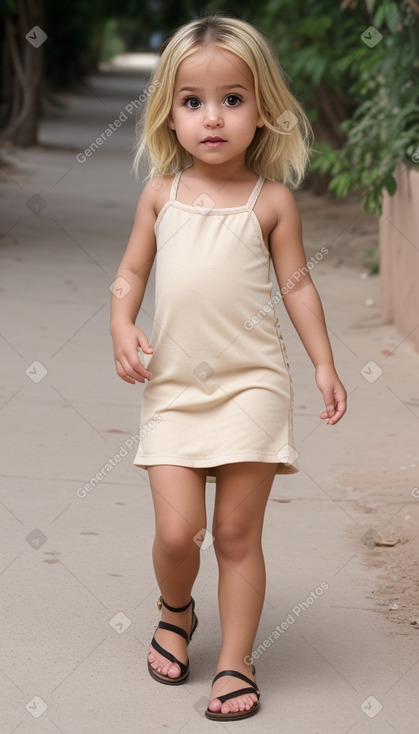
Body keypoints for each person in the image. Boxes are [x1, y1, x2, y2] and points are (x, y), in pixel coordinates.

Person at [110, 12, 346, 722]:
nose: (212, 117)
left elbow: (297, 285)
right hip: (176, 389)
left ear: (263, 110)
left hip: (252, 385)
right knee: (181, 533)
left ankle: (236, 659)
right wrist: (122, 323)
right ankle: (176, 608)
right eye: (192, 101)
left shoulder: (269, 201)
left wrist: (324, 364)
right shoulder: (161, 194)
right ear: (170, 114)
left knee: (239, 535)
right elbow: (129, 273)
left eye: (232, 99)